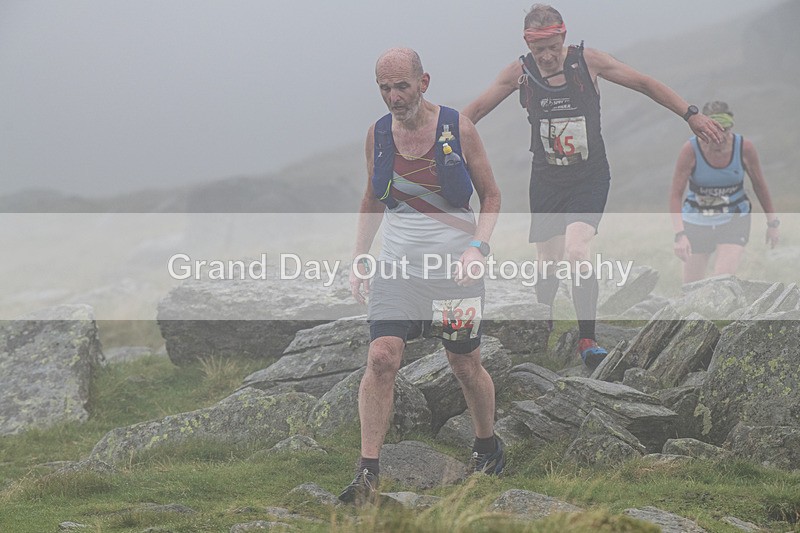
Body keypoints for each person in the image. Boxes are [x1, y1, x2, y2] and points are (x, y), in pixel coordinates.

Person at [462, 3, 725, 369]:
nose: (547, 56)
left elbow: (645, 83)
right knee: (547, 261)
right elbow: (473, 113)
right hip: (546, 179)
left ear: (563, 37)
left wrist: (690, 114)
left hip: (589, 177)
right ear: (527, 45)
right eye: (539, 50)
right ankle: (544, 326)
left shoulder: (588, 62)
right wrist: (440, 141)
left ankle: (588, 338)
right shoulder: (519, 73)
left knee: (577, 251)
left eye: (553, 47)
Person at [339, 47, 503, 504]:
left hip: (454, 275)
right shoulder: (377, 135)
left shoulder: (458, 128)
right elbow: (372, 199)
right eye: (384, 88)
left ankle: (487, 446)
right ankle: (368, 471)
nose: (393, 97)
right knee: (381, 357)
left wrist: (477, 248)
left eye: (402, 87)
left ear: (423, 82)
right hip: (398, 271)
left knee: (464, 364)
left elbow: (491, 196)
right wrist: (359, 257)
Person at [670, 101, 779, 283]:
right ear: (701, 130)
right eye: (711, 132)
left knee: (721, 283)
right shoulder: (690, 150)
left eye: (725, 131)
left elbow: (760, 186)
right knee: (691, 288)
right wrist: (680, 234)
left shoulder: (744, 147)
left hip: (734, 219)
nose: (719, 138)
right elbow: (675, 194)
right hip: (697, 220)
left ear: (731, 128)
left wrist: (772, 223)